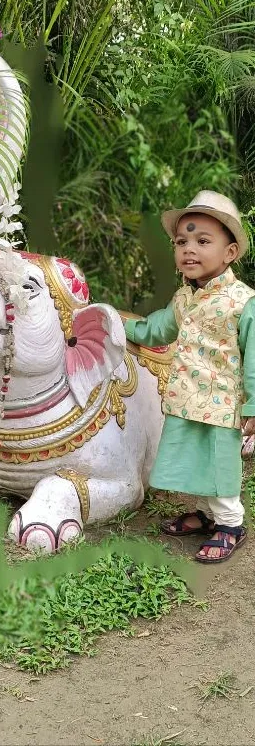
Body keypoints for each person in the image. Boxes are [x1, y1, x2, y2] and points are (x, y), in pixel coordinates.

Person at [124, 190, 255, 563]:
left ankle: (230, 523)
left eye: (202, 240)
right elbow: (156, 331)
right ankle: (208, 514)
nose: (188, 249)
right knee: (193, 460)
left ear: (230, 253)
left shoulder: (243, 302)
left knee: (218, 463)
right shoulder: (184, 298)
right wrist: (118, 326)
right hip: (186, 398)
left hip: (222, 404)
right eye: (181, 241)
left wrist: (253, 405)